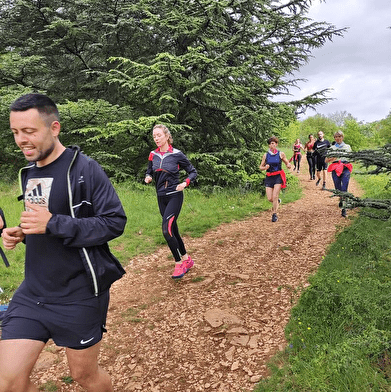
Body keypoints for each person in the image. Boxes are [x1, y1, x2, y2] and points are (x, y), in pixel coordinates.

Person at [0, 93, 127, 392]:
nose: (21, 140)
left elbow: (114, 222)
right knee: (8, 381)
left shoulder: (85, 169)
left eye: (29, 132)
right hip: (33, 292)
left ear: (54, 128)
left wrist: (52, 223)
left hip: (78, 295)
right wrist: (23, 232)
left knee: (85, 377)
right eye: (16, 132)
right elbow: (45, 225)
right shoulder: (30, 173)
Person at [145, 124, 197, 280]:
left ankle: (178, 263)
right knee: (173, 230)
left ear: (167, 136)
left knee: (166, 230)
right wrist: (148, 177)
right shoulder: (152, 154)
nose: (156, 139)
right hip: (161, 197)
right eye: (154, 136)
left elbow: (192, 172)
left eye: (159, 135)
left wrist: (185, 183)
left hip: (175, 195)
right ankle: (187, 259)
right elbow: (149, 170)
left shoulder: (177, 154)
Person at [259, 136, 292, 222]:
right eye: (270, 144)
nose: (271, 145)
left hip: (278, 176)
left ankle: (274, 214)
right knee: (270, 198)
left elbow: (287, 162)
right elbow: (260, 167)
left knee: (275, 196)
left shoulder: (281, 154)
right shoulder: (266, 155)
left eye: (273, 143)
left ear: (276, 144)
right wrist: (265, 167)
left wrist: (288, 165)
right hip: (269, 177)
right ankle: (277, 201)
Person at [326, 130, 353, 217]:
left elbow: (352, 157)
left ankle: (344, 208)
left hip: (345, 168)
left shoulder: (348, 146)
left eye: (339, 136)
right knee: (338, 189)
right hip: (335, 168)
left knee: (344, 187)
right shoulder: (332, 148)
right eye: (336, 137)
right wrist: (332, 158)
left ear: (342, 137)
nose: (338, 138)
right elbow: (326, 160)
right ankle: (341, 199)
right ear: (334, 138)